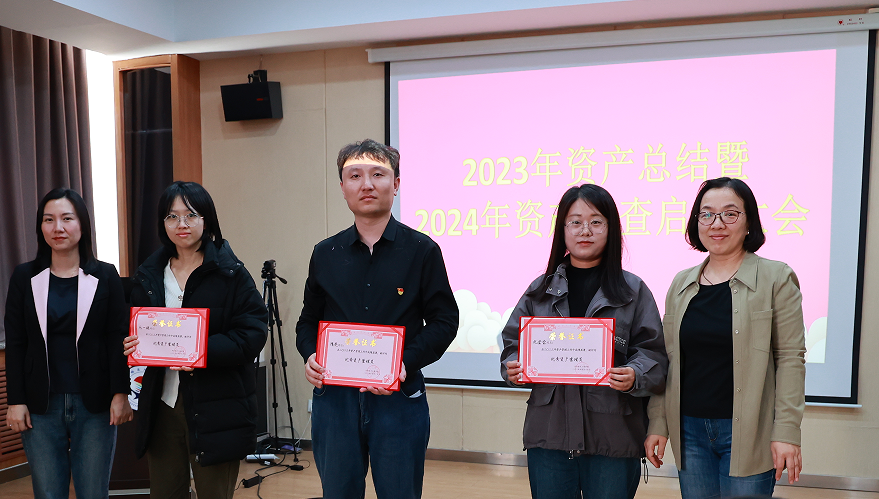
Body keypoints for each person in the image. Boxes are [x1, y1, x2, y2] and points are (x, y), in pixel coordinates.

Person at [295, 139, 459, 499]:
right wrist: (310, 355)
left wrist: (404, 363)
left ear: (396, 184)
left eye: (378, 175)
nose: (366, 184)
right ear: (343, 188)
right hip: (335, 401)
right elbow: (307, 322)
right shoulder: (325, 253)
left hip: (399, 399)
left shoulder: (422, 251)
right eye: (355, 176)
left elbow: (445, 321)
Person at [501, 184, 668, 499]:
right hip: (549, 438)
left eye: (596, 221)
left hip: (612, 438)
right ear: (562, 230)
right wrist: (514, 367)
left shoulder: (633, 291)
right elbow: (513, 343)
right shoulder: (539, 291)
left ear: (611, 228)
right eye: (575, 222)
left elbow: (654, 354)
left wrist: (635, 374)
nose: (585, 230)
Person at [644, 177, 806, 498]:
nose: (717, 224)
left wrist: (787, 431)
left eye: (730, 214)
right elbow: (667, 360)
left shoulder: (776, 277)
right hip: (689, 431)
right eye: (706, 214)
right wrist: (658, 422)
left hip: (749, 430)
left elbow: (790, 358)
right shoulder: (681, 284)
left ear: (749, 222)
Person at [122, 181, 267, 499]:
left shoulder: (231, 273)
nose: (182, 224)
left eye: (190, 215)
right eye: (172, 216)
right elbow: (137, 330)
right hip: (162, 404)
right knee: (165, 493)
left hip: (216, 406)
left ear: (207, 219)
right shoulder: (149, 274)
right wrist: (132, 344)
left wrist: (199, 351)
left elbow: (252, 334)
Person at [5, 188, 133, 499]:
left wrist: (120, 393)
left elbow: (116, 337)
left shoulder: (106, 275)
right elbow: (17, 342)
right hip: (41, 405)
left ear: (82, 224)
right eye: (48, 220)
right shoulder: (24, 276)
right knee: (48, 493)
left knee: (93, 492)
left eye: (66, 218)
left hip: (95, 404)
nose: (57, 228)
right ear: (40, 226)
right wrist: (15, 400)